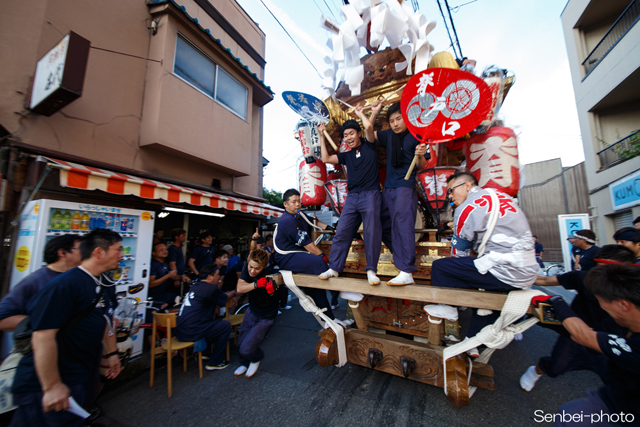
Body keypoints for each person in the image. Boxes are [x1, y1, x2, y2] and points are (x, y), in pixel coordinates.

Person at [10, 229, 122, 427]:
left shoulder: (105, 283)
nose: (122, 255)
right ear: (98, 252)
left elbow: (106, 319)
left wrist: (112, 353)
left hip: (81, 376)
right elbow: (42, 336)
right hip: (47, 384)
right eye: (118, 250)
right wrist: (52, 386)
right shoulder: (64, 285)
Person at [430, 171, 538, 353]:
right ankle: (473, 346)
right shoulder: (501, 197)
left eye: (450, 191)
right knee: (487, 295)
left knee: (441, 267)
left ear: (467, 186)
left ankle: (450, 307)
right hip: (527, 270)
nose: (449, 197)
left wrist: (461, 289)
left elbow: (459, 255)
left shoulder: (467, 208)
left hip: (504, 271)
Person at [520, 245, 636, 392]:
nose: (603, 275)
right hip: (576, 326)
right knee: (557, 365)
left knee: (618, 378)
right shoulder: (585, 278)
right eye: (599, 268)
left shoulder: (634, 289)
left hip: (614, 337)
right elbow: (545, 281)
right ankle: (535, 371)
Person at [545, 264, 640, 426]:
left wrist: (557, 303)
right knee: (569, 413)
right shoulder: (618, 323)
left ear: (623, 304)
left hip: (630, 413)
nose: (600, 306)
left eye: (601, 301)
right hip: (616, 396)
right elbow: (585, 334)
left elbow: (584, 336)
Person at [317, 109, 382, 286]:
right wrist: (322, 135)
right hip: (352, 197)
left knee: (371, 233)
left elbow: (369, 125)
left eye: (351, 133)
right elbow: (325, 158)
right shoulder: (346, 155)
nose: (348, 138)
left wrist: (361, 113)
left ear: (359, 134)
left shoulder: (369, 145)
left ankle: (371, 270)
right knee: (342, 232)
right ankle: (334, 268)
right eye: (345, 135)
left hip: (370, 194)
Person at [368, 100, 430, 285]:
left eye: (398, 119)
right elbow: (368, 134)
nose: (395, 123)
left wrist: (420, 154)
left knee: (403, 226)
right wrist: (375, 112)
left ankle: (406, 271)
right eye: (392, 120)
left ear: (407, 118)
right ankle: (402, 256)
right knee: (383, 224)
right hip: (387, 187)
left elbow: (421, 165)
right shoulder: (388, 136)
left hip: (405, 186)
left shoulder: (417, 136)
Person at [273, 188, 337, 321]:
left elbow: (315, 222)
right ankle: (341, 290)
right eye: (293, 202)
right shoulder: (287, 220)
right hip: (286, 257)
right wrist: (322, 257)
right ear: (285, 204)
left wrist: (331, 229)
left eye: (299, 201)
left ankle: (329, 319)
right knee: (318, 262)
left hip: (298, 254)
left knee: (316, 291)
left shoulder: (299, 214)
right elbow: (307, 244)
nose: (297, 204)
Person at [0, 235, 82, 332]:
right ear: (62, 252)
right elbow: (3, 319)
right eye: (81, 248)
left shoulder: (81, 277)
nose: (88, 252)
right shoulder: (35, 280)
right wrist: (45, 322)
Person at [175, 264, 232, 371]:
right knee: (225, 325)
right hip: (192, 332)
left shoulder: (195, 286)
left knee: (212, 323)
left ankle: (205, 353)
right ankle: (215, 361)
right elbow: (225, 299)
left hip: (180, 332)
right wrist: (235, 292)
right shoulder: (210, 288)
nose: (219, 277)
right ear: (210, 277)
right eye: (217, 275)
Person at [234, 249, 279, 378]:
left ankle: (256, 358)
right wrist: (255, 284)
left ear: (264, 267)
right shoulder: (246, 268)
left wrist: (272, 291)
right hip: (252, 310)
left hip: (266, 317)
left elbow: (278, 296)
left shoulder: (271, 275)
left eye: (257, 268)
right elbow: (239, 288)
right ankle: (244, 363)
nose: (252, 271)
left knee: (247, 347)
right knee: (241, 341)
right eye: (251, 267)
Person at [167, 228, 190, 294]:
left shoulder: (178, 248)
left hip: (179, 276)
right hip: (174, 279)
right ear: (176, 237)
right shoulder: (173, 249)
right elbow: (172, 264)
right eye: (183, 236)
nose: (185, 237)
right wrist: (175, 278)